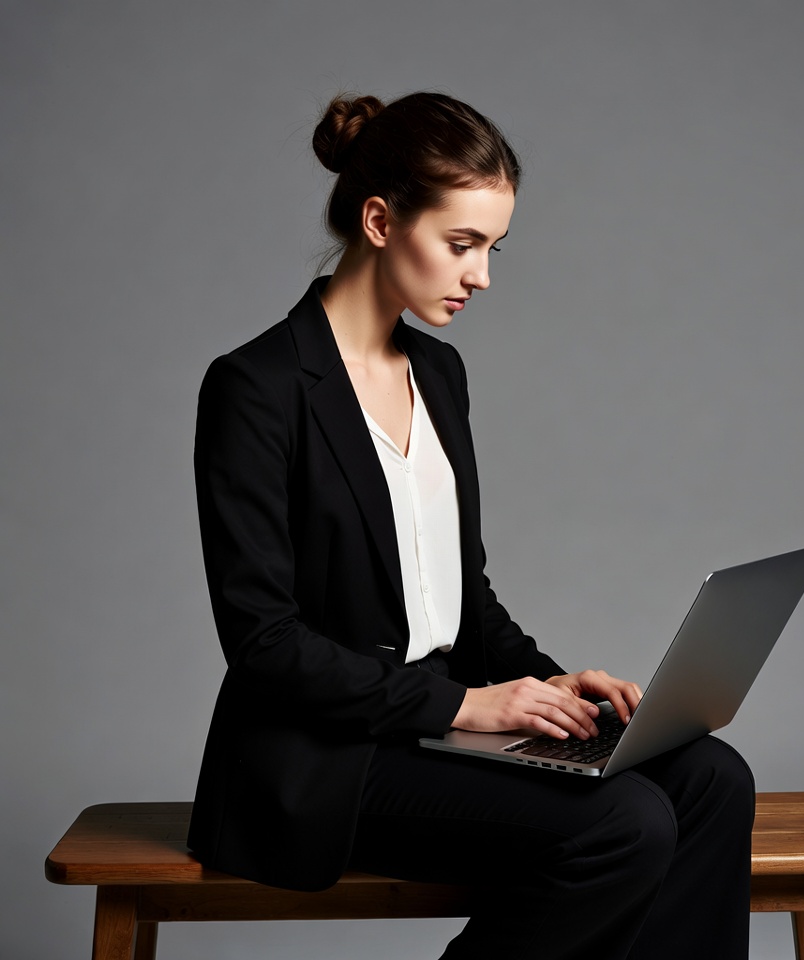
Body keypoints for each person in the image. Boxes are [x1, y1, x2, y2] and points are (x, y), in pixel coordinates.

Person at [188, 91, 755, 959]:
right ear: (380, 220)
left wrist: (556, 686)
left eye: (493, 248)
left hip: (440, 724)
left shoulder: (440, 375)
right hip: (326, 760)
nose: (482, 274)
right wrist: (466, 703)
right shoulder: (255, 388)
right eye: (462, 245)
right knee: (625, 823)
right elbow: (264, 644)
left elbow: (464, 600)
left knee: (714, 779)